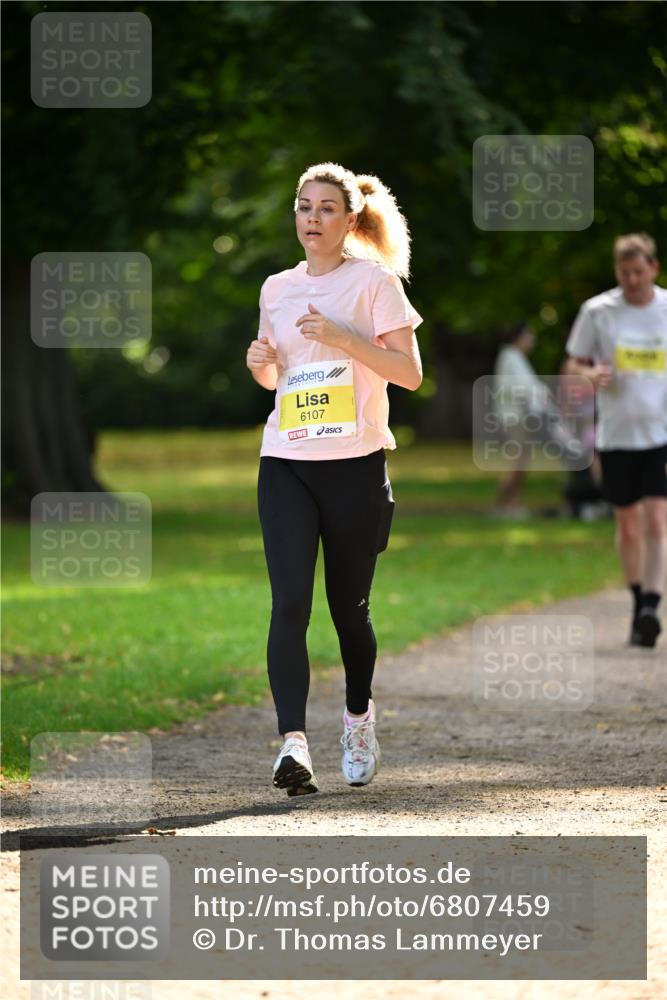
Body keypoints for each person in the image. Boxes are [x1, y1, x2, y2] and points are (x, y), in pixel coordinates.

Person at [246, 162, 423, 796]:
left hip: (354, 466)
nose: (312, 219)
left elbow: (409, 374)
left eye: (325, 208)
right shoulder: (277, 288)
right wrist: (259, 363)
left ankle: (357, 717)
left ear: (350, 220)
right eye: (303, 207)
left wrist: (348, 337)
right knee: (289, 601)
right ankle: (292, 744)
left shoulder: (375, 284)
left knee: (349, 611)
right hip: (286, 463)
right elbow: (278, 377)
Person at [565, 233, 667, 648]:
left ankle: (652, 608)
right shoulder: (599, 311)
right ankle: (638, 599)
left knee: (658, 521)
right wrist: (588, 375)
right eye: (624, 273)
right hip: (616, 435)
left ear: (654, 269)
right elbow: (573, 362)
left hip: (660, 433)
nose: (632, 280)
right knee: (627, 526)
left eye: (638, 272)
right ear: (616, 273)